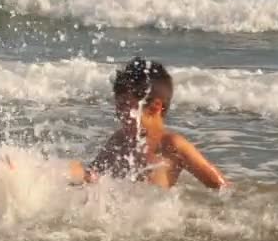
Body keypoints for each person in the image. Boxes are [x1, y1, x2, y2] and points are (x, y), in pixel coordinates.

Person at [70, 57, 229, 189]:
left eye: (126, 106)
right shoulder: (119, 140)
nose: (119, 114)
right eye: (118, 106)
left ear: (155, 107)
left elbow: (222, 187)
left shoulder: (172, 145)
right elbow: (92, 177)